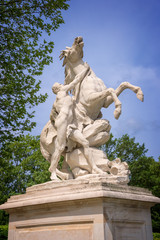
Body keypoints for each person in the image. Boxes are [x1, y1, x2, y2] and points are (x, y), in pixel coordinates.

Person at [49, 63, 103, 180]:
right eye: (59, 84)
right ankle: (52, 171)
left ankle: (93, 167)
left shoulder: (60, 100)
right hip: (64, 123)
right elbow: (76, 81)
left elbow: (52, 115)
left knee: (85, 143)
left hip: (70, 126)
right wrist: (86, 70)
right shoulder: (62, 91)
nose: (61, 84)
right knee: (60, 147)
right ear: (57, 88)